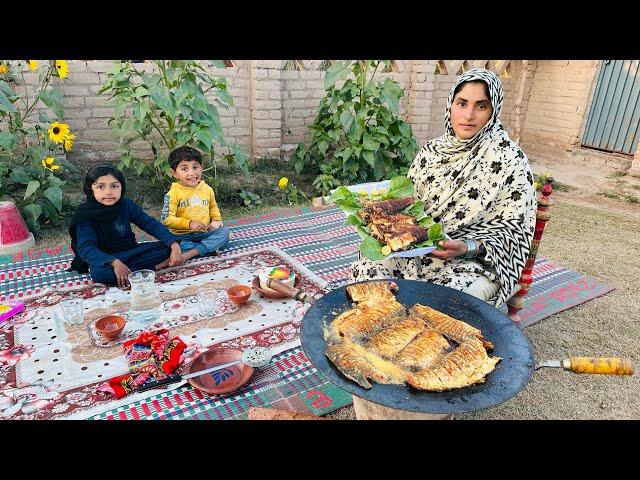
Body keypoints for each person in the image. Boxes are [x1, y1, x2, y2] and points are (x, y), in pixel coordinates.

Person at [351, 68, 537, 308]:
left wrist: (467, 248)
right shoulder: (431, 152)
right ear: (450, 105)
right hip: (417, 252)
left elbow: (514, 234)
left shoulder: (510, 160)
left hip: (472, 263)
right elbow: (410, 209)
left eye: (481, 106)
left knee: (443, 302)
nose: (468, 115)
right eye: (462, 103)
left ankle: (421, 342)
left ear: (494, 111)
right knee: (368, 272)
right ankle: (375, 332)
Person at [69, 165, 184, 287]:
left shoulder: (126, 205)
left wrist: (174, 244)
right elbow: (86, 248)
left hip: (131, 251)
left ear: (121, 187)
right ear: (91, 190)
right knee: (100, 274)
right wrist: (114, 262)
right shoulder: (85, 214)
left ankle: (135, 270)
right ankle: (156, 267)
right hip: (106, 259)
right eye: (101, 187)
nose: (108, 192)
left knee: (169, 247)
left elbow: (149, 223)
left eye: (114, 186)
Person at [161, 146, 231, 262]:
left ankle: (191, 253)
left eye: (195, 167)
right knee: (172, 245)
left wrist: (216, 220)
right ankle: (207, 249)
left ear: (201, 168)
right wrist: (189, 224)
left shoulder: (207, 189)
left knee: (226, 233)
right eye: (184, 169)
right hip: (183, 236)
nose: (192, 173)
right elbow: (167, 219)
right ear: (174, 173)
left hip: (204, 233)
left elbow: (213, 207)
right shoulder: (173, 193)